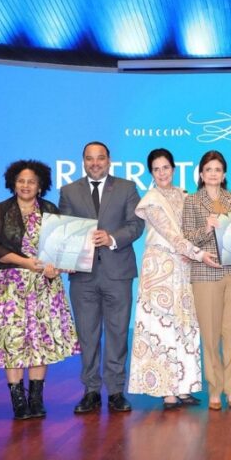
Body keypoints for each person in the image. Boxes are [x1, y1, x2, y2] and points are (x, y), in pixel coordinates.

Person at [0, 160, 79, 420]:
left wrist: (57, 268)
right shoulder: (1, 210)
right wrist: (25, 263)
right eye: (21, 180)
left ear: (40, 185)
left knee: (39, 341)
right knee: (13, 342)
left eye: (31, 181)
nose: (26, 185)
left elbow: (60, 250)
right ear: (13, 182)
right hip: (8, 286)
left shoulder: (50, 210)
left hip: (43, 287)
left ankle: (36, 398)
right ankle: (18, 401)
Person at [128, 148, 220, 409]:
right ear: (151, 173)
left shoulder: (185, 195)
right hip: (159, 270)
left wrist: (206, 231)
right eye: (156, 169)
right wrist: (199, 254)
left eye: (165, 167)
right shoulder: (150, 200)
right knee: (162, 328)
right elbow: (172, 235)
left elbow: (190, 233)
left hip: (183, 267)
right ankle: (167, 390)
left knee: (185, 325)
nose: (161, 173)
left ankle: (184, 386)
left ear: (174, 168)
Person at [59, 141, 144, 415]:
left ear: (109, 160)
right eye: (89, 159)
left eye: (100, 158)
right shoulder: (69, 191)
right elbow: (64, 230)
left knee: (118, 333)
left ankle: (117, 390)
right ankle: (91, 390)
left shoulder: (127, 188)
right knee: (88, 335)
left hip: (117, 272)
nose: (95, 163)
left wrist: (112, 238)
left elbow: (136, 224)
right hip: (82, 276)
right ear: (82, 161)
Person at [182, 150, 231, 410]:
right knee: (210, 336)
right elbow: (187, 239)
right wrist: (207, 228)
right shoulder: (192, 201)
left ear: (224, 175)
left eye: (218, 170)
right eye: (208, 169)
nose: (213, 174)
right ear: (201, 174)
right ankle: (214, 390)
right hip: (205, 274)